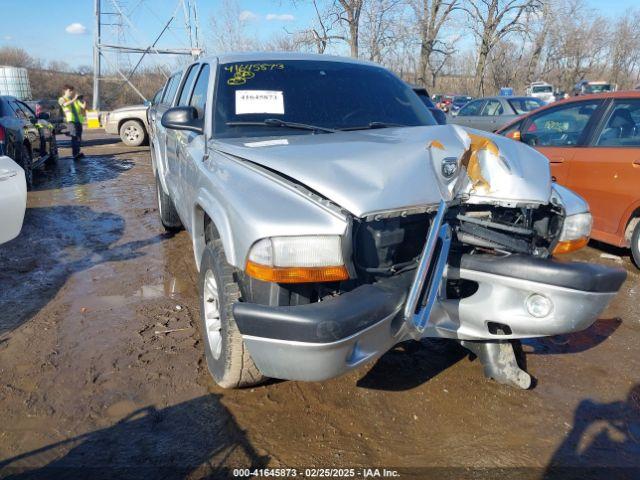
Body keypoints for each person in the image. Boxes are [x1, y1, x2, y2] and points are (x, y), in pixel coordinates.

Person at [58, 85, 86, 159]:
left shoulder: (74, 99)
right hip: (71, 121)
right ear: (66, 90)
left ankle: (78, 152)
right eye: (70, 91)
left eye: (72, 91)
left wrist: (83, 100)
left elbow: (83, 107)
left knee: (79, 137)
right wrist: (74, 99)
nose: (71, 92)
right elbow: (64, 104)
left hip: (78, 120)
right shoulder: (62, 99)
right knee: (74, 137)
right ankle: (75, 154)